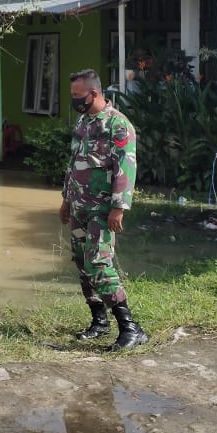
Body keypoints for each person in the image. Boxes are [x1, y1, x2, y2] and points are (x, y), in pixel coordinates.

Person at [59, 68, 148, 351]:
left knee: (98, 263)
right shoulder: (83, 122)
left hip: (102, 208)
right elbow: (74, 163)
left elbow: (126, 166)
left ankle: (131, 328)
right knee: (82, 263)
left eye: (77, 96)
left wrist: (118, 208)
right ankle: (99, 322)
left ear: (94, 93)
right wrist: (65, 199)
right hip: (79, 205)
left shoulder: (118, 125)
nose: (74, 100)